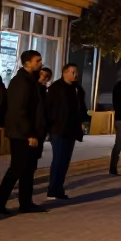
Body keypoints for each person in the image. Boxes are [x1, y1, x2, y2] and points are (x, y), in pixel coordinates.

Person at [0, 50, 48, 214]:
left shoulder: (30, 81)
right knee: (17, 167)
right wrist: (29, 134)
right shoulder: (21, 82)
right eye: (37, 61)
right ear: (27, 63)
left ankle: (25, 202)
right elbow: (19, 110)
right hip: (21, 133)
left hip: (26, 132)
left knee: (27, 169)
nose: (40, 63)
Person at [44, 63, 89, 200]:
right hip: (58, 129)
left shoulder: (77, 89)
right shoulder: (56, 88)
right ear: (64, 73)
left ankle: (59, 188)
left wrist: (83, 121)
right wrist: (50, 126)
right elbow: (49, 108)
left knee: (65, 160)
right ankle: (52, 189)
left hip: (71, 129)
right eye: (72, 72)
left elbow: (81, 107)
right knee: (58, 159)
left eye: (76, 72)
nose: (75, 75)